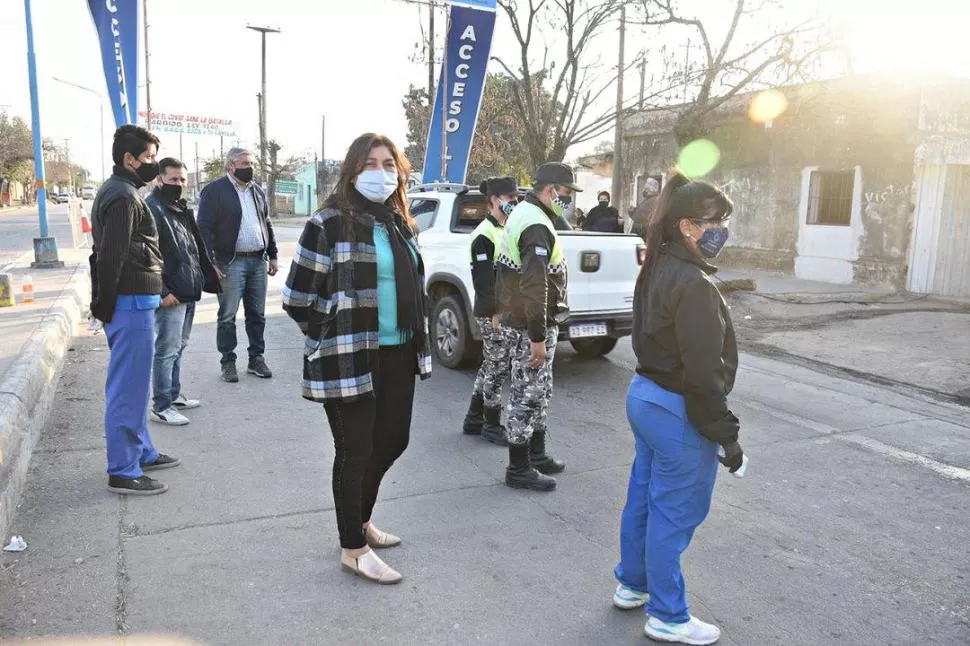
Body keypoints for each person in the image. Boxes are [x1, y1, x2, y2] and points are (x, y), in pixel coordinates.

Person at [282, 133, 431, 585]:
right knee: (355, 450)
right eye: (371, 164)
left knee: (393, 441)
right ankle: (353, 547)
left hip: (398, 350)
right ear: (352, 170)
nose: (381, 173)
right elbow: (296, 298)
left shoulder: (398, 222)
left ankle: (360, 519)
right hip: (348, 356)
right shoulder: (327, 223)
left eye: (389, 164)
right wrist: (336, 326)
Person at [612, 170, 743, 645]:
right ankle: (668, 613)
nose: (722, 232)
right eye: (716, 222)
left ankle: (632, 583)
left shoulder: (656, 266)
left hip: (646, 397)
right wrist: (726, 436)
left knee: (645, 499)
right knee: (674, 512)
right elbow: (703, 374)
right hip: (675, 409)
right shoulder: (693, 284)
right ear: (688, 226)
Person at [90, 125, 180, 496]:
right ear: (129, 159)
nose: (153, 165)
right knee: (127, 388)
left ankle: (141, 451)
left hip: (135, 301)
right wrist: (103, 307)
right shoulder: (124, 196)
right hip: (127, 302)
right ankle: (123, 469)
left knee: (136, 384)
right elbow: (111, 256)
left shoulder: (123, 191)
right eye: (149, 158)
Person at [494, 162, 578, 492]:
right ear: (550, 190)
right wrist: (537, 337)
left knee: (539, 391)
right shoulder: (535, 225)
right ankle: (518, 468)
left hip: (525, 321)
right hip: (531, 326)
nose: (568, 200)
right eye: (566, 193)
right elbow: (535, 284)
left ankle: (537, 454)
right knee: (527, 396)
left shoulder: (527, 213)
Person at [145, 158, 220, 426]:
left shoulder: (178, 208)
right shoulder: (152, 209)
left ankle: (174, 395)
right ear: (159, 180)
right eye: (173, 179)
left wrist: (207, 274)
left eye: (182, 180)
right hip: (171, 293)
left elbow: (193, 248)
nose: (178, 184)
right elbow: (147, 256)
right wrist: (162, 291)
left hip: (187, 289)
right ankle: (162, 405)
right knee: (166, 349)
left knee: (180, 346)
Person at [197, 148, 278, 383]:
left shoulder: (257, 192)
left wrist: (272, 254)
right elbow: (203, 228)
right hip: (230, 263)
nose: (249, 167)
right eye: (244, 163)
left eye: (251, 162)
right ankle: (228, 363)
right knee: (227, 316)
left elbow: (267, 223)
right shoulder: (214, 191)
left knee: (257, 315)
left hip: (257, 261)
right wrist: (210, 262)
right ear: (230, 166)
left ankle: (256, 359)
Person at [462, 176, 518, 445]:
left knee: (490, 364)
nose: (514, 202)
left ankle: (474, 419)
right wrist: (496, 313)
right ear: (495, 200)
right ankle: (492, 424)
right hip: (491, 311)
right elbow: (483, 281)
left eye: (516, 198)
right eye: (510, 198)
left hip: (500, 309)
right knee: (497, 366)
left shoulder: (504, 228)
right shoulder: (484, 234)